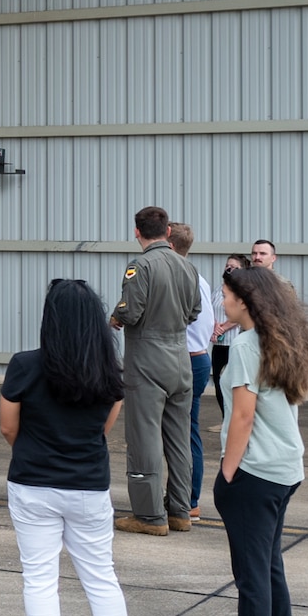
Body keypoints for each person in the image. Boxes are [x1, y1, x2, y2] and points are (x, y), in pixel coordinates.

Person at [0, 280, 134, 616]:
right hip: (89, 485)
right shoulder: (110, 371)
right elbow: (104, 428)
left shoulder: (24, 364)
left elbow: (9, 429)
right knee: (101, 576)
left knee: (40, 577)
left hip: (33, 483)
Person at [191, 266, 308, 616]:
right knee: (268, 566)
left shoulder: (245, 346)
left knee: (251, 572)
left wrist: (228, 471)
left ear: (243, 302)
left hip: (255, 472)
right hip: (285, 468)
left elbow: (242, 416)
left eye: (225, 295)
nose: (222, 302)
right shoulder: (280, 339)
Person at [110, 206, 202, 536]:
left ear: (138, 232)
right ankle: (179, 511)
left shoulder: (141, 265)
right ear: (166, 231)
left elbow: (131, 311)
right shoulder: (187, 267)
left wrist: (116, 315)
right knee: (178, 438)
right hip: (180, 359)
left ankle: (149, 516)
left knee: (144, 435)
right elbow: (194, 311)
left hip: (147, 359)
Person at [167, 224, 215, 522]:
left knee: (181, 434)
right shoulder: (200, 278)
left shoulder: (178, 278)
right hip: (200, 359)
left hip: (183, 360)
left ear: (169, 247)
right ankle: (189, 498)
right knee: (188, 431)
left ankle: (186, 499)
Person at [210, 254, 251, 415]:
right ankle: (225, 417)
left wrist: (224, 327)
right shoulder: (218, 290)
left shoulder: (245, 290)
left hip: (234, 342)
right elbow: (209, 308)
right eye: (228, 266)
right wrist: (214, 326)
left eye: (234, 267)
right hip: (218, 343)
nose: (229, 269)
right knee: (219, 383)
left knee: (234, 382)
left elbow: (242, 311)